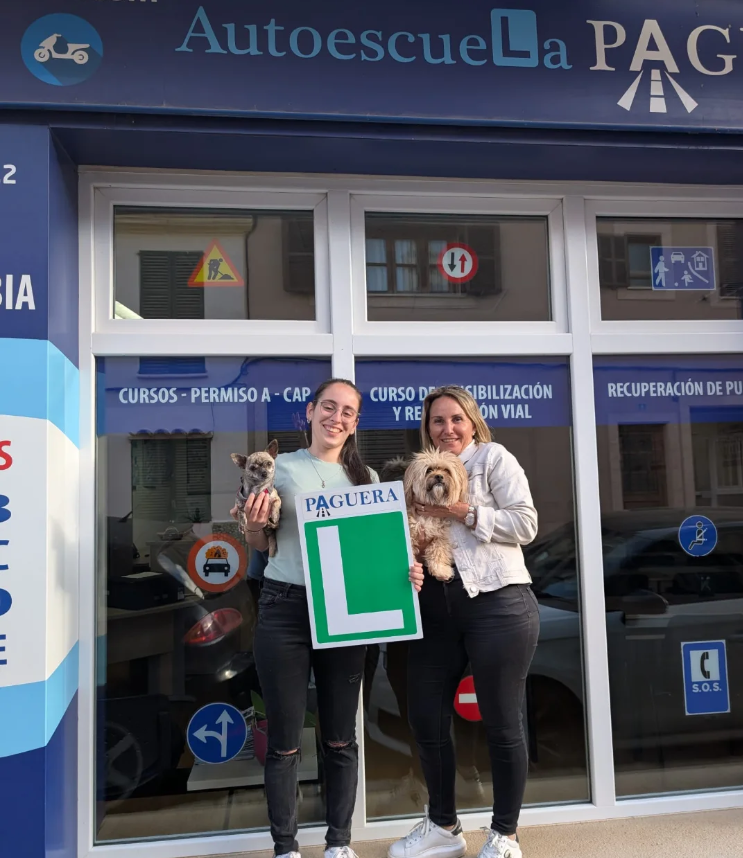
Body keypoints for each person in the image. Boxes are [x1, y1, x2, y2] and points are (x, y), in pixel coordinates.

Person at [391, 386, 539, 858]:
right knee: (425, 717)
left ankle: (505, 834)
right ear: (427, 428)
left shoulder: (494, 459)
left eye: (456, 419)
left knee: (501, 720)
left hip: (498, 604)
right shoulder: (418, 473)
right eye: (437, 421)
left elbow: (526, 523)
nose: (448, 428)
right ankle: (442, 826)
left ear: (471, 422)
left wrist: (463, 510)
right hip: (436, 612)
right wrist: (409, 563)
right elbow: (408, 537)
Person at [232, 379, 377, 858]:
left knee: (340, 737)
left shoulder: (367, 479)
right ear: (310, 412)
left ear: (356, 423)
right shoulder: (281, 468)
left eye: (348, 412)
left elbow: (372, 557)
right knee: (285, 741)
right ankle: (286, 848)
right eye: (328, 408)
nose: (337, 418)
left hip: (345, 611)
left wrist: (404, 572)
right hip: (285, 606)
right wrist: (252, 525)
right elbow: (258, 543)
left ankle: (339, 843)